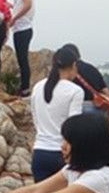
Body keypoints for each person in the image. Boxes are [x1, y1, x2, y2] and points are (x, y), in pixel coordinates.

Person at [29, 46, 84, 181]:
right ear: (74, 65)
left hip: (40, 153)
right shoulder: (75, 91)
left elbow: (35, 118)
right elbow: (74, 127)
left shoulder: (38, 87)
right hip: (62, 155)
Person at [64, 43, 109, 114]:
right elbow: (107, 93)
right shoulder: (92, 69)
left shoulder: (67, 72)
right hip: (96, 108)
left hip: (78, 109)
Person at [9, 0, 35, 97]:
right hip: (24, 28)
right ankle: (24, 87)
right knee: (22, 59)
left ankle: (25, 88)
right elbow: (22, 5)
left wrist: (14, 18)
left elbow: (27, 5)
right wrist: (11, 6)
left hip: (22, 29)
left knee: (22, 59)